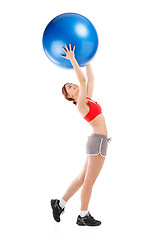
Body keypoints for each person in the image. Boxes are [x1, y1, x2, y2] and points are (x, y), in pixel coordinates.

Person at [51, 44, 111, 226]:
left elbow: (89, 79)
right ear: (70, 96)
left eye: (71, 84)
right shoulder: (80, 105)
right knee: (89, 181)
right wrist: (73, 60)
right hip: (98, 142)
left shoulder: (87, 99)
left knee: (82, 178)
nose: (73, 84)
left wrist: (87, 60)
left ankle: (59, 203)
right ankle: (83, 215)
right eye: (70, 87)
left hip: (96, 141)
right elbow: (83, 82)